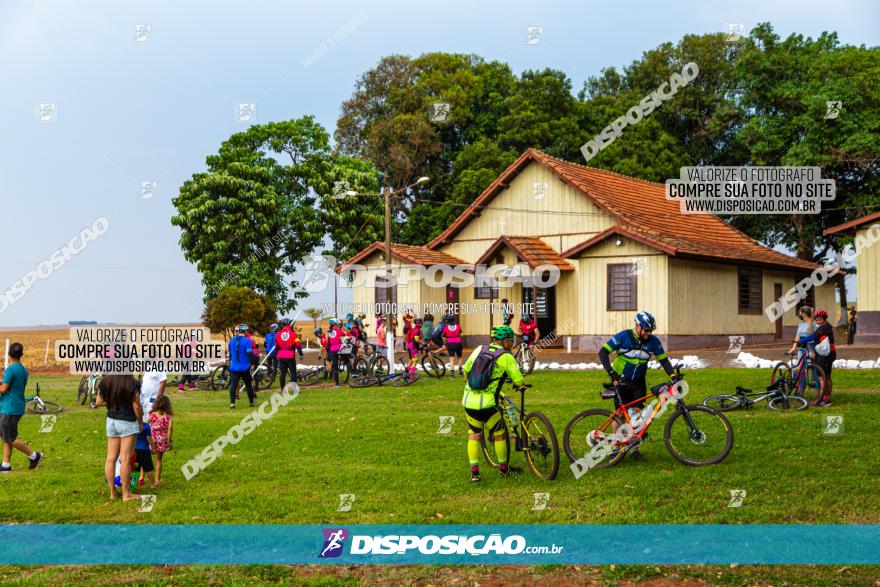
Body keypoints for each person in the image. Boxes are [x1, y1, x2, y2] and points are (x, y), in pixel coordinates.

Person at [598, 311, 675, 461]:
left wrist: (672, 375)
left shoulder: (653, 341)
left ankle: (633, 447)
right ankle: (615, 447)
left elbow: (664, 361)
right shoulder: (624, 336)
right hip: (620, 382)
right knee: (619, 414)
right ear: (638, 326)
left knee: (637, 415)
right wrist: (611, 373)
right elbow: (603, 352)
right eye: (646, 330)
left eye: (651, 331)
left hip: (639, 383)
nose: (648, 333)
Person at [461, 325, 525, 482]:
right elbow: (518, 380)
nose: (512, 343)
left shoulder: (479, 349)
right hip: (488, 404)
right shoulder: (506, 357)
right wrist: (519, 385)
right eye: (511, 341)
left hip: (469, 401)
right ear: (505, 341)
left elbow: (466, 370)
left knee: (473, 435)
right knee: (499, 434)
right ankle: (504, 470)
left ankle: (475, 474)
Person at [95, 374, 143, 500]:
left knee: (110, 458)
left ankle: (113, 493)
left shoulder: (106, 380)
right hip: (127, 421)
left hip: (111, 421)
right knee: (125, 459)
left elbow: (98, 401)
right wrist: (140, 422)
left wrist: (113, 401)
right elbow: (136, 405)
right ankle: (126, 494)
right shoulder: (132, 382)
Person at [0, 342, 42, 473]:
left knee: (10, 438)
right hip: (17, 406)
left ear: (8, 354)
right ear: (21, 355)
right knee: (5, 435)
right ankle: (6, 465)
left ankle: (34, 456)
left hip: (9, 408)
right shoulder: (24, 370)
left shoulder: (10, 370)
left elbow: (3, 389)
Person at [807, 309, 836, 407]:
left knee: (821, 377)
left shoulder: (823, 328)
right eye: (817, 320)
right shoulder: (827, 327)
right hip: (830, 354)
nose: (818, 321)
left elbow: (813, 336)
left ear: (824, 319)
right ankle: (827, 397)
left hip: (825, 356)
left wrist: (800, 341)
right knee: (827, 376)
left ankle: (823, 399)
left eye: (820, 319)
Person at [228, 324, 256, 409]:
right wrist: (252, 363)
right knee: (248, 385)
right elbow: (250, 354)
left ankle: (232, 404)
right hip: (245, 367)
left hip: (234, 367)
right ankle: (251, 403)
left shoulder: (231, 341)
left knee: (233, 385)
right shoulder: (247, 341)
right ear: (245, 331)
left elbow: (230, 354)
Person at [148, 395, 173, 486]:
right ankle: (157, 479)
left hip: (151, 438)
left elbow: (145, 425)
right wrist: (168, 440)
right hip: (162, 439)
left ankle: (141, 477)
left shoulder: (152, 415)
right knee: (159, 459)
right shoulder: (168, 417)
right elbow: (170, 429)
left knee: (146, 458)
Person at [276, 318, 300, 389]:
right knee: (293, 373)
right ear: (290, 324)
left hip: (281, 356)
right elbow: (298, 345)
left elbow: (276, 346)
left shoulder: (278, 334)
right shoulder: (294, 334)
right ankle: (293, 389)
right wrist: (301, 354)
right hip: (290, 356)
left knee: (282, 374)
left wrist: (278, 353)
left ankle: (282, 390)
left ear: (282, 325)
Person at [133, 422, 156, 490]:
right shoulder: (146, 426)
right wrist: (153, 448)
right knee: (148, 469)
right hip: (144, 450)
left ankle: (133, 485)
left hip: (134, 451)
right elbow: (149, 438)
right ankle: (152, 484)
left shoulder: (131, 424)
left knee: (135, 469)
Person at [326, 319, 344, 387]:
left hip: (332, 349)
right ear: (335, 324)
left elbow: (327, 340)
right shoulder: (338, 330)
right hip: (338, 347)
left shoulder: (328, 331)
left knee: (335, 366)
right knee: (345, 358)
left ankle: (337, 384)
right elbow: (344, 335)